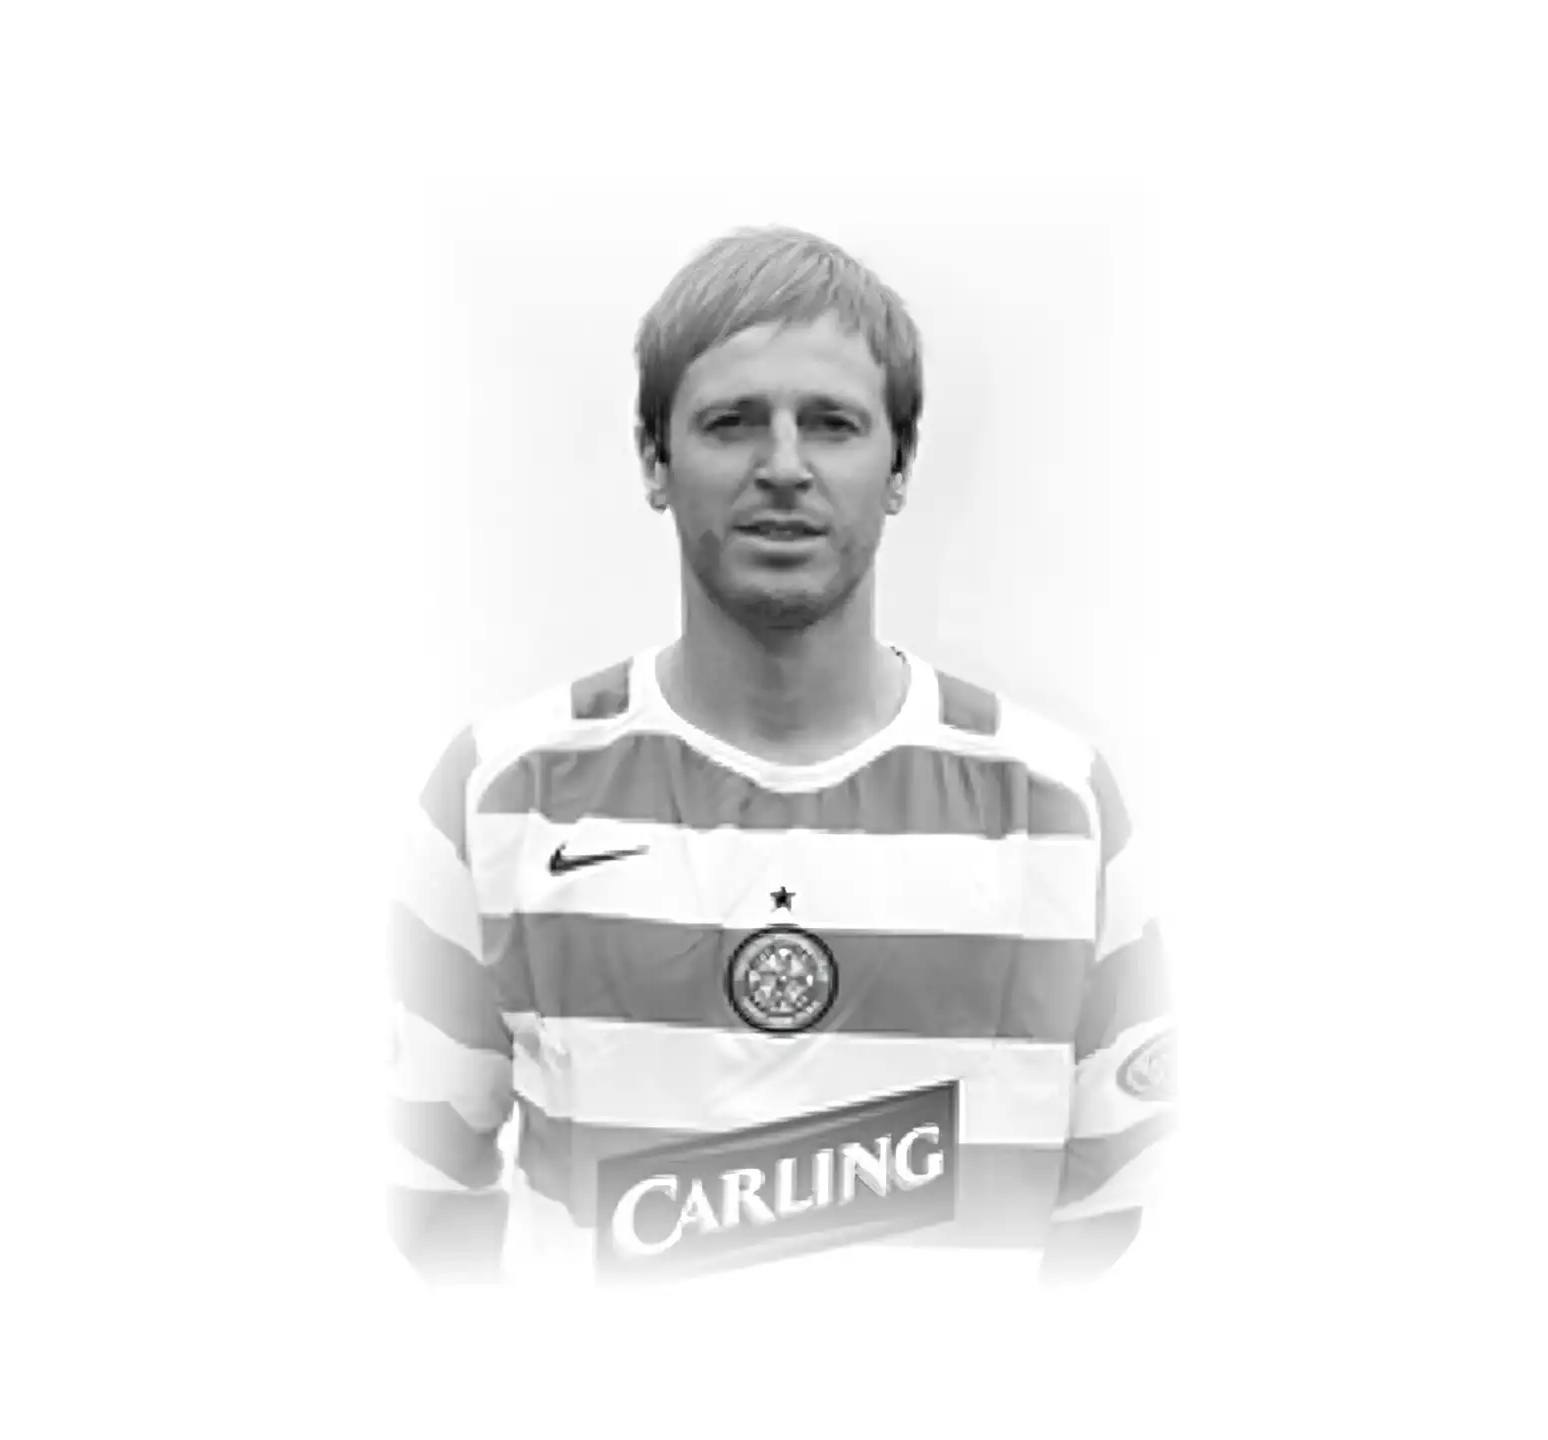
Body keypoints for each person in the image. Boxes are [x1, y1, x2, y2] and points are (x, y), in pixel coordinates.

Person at [385, 226, 1174, 1288]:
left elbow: (1123, 1224)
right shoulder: (501, 794)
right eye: (732, 422)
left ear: (900, 465)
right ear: (654, 459)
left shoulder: (1058, 809)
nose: (786, 467)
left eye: (833, 424)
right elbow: (416, 1196)